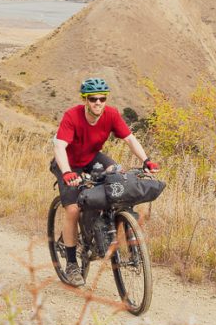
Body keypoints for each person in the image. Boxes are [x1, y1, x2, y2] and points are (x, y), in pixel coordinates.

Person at [51, 77, 158, 286]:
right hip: (69, 164)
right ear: (85, 100)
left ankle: (104, 224)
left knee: (118, 177)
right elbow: (60, 146)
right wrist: (66, 172)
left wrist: (146, 160)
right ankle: (72, 263)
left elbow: (129, 139)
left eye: (102, 98)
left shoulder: (111, 114)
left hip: (92, 158)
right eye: (93, 99)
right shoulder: (72, 116)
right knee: (73, 209)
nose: (98, 103)